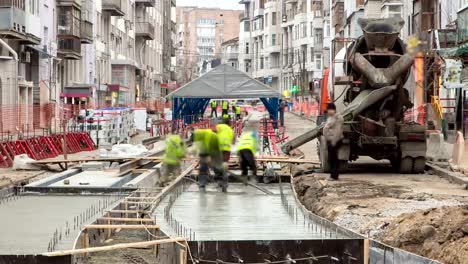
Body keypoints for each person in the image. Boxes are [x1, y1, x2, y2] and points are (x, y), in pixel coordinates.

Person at [322, 103, 344, 180]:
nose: (329, 111)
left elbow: (338, 131)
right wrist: (328, 138)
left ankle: (334, 175)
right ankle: (333, 175)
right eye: (328, 110)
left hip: (336, 140)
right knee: (331, 158)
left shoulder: (338, 118)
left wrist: (333, 142)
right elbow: (326, 128)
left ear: (334, 110)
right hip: (330, 140)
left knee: (333, 158)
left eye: (330, 110)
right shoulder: (330, 117)